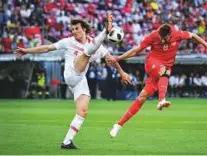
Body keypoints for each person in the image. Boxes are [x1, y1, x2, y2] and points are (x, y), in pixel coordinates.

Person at [15, 14, 132, 149]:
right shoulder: (68, 42)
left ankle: (67, 142)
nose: (73, 31)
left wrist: (122, 73)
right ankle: (106, 30)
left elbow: (111, 59)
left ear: (84, 29)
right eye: (72, 29)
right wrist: (27, 51)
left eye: (76, 28)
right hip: (71, 73)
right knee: (86, 53)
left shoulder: (96, 46)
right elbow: (47, 48)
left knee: (82, 111)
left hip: (80, 79)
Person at [106, 24, 207, 137]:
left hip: (163, 71)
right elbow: (136, 50)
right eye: (160, 37)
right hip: (152, 62)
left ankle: (118, 125)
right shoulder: (153, 36)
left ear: (170, 34)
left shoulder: (177, 34)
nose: (162, 40)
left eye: (164, 38)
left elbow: (193, 36)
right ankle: (161, 100)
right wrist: (118, 58)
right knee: (165, 72)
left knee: (142, 96)